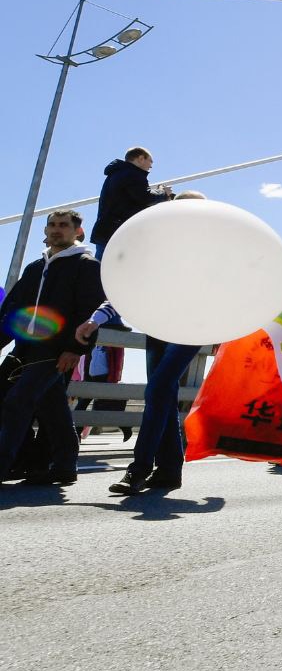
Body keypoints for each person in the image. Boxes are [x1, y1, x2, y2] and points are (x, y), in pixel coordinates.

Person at [80, 192, 208, 494]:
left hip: (192, 330)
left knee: (158, 389)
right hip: (157, 328)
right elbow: (128, 289)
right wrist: (96, 319)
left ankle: (138, 470)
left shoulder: (211, 252)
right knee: (164, 395)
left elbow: (228, 294)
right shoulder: (157, 249)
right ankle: (169, 471)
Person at [0, 211, 104, 486]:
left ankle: (4, 463)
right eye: (52, 225)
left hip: (56, 351)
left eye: (64, 225)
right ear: (45, 230)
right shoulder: (35, 268)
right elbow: (12, 309)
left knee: (17, 401)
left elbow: (89, 312)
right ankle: (63, 465)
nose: (57, 230)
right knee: (52, 407)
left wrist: (75, 349)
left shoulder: (86, 266)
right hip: (25, 350)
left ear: (77, 231)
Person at [89, 146, 174, 262]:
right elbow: (145, 197)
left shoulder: (116, 174)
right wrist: (163, 193)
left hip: (104, 232)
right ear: (141, 158)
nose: (151, 166)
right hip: (120, 233)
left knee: (102, 268)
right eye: (150, 161)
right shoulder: (133, 174)